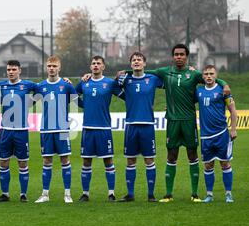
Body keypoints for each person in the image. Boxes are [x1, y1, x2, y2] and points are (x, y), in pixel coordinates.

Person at [115, 44, 231, 202]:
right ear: (173, 56)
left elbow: (211, 78)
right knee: (171, 155)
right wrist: (125, 72)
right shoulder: (164, 72)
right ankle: (168, 194)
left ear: (186, 56)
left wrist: (224, 84)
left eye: (182, 54)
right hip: (172, 121)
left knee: (192, 155)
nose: (179, 57)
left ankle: (195, 194)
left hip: (189, 120)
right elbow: (144, 72)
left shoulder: (194, 74)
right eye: (176, 54)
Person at [75, 56, 125, 202]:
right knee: (86, 162)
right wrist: (84, 105)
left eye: (98, 63)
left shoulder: (109, 83)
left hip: (104, 128)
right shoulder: (84, 82)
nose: (95, 65)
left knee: (108, 161)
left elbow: (126, 96)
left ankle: (111, 193)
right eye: (93, 63)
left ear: (103, 67)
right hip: (88, 129)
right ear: (90, 67)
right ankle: (85, 193)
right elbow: (72, 95)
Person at [117, 52, 163, 202]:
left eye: (139, 60)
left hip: (148, 126)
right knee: (130, 161)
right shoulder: (125, 79)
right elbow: (109, 84)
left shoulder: (153, 79)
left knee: (149, 160)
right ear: (130, 64)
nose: (136, 62)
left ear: (144, 64)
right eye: (134, 60)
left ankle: (151, 195)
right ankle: (130, 194)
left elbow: (170, 79)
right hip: (131, 125)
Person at [33, 56, 79, 203]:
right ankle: (45, 194)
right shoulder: (40, 86)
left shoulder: (66, 86)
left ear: (59, 68)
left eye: (54, 66)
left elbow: (79, 100)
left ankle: (67, 194)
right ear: (46, 68)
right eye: (49, 66)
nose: (51, 68)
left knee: (65, 160)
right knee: (47, 161)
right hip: (46, 129)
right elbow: (28, 102)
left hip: (62, 129)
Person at [0, 60, 36, 203]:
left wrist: (30, 102)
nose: (11, 72)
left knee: (22, 163)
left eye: (13, 69)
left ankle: (23, 194)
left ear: (20, 70)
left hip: (21, 131)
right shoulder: (1, 85)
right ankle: (5, 194)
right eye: (9, 69)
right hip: (5, 130)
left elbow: (42, 88)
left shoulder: (28, 85)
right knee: (3, 162)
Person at [196, 65, 237, 203]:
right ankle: (209, 195)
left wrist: (233, 129)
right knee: (208, 165)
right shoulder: (199, 91)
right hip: (205, 136)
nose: (208, 76)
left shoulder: (223, 91)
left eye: (211, 74)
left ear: (216, 75)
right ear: (202, 76)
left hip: (221, 134)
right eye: (206, 74)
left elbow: (233, 110)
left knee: (225, 164)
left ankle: (228, 194)